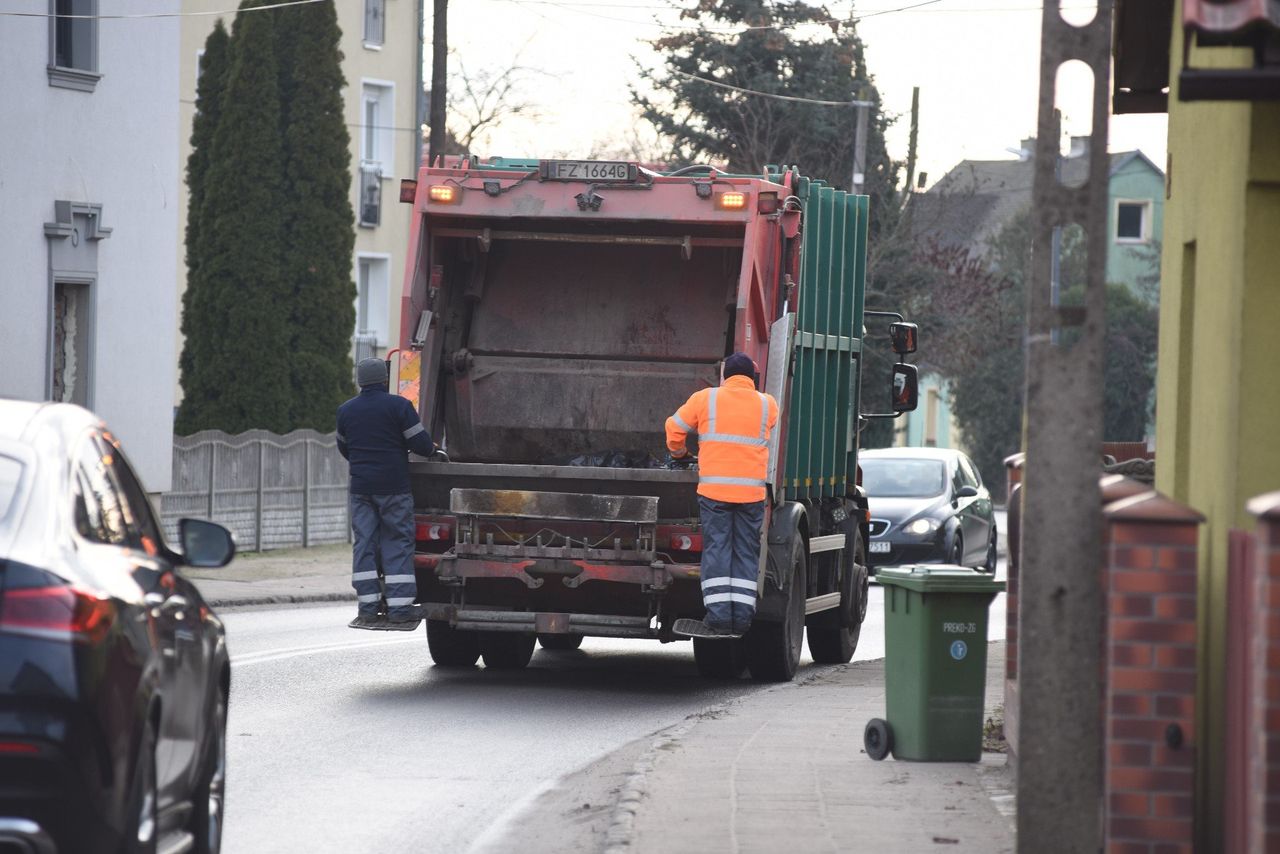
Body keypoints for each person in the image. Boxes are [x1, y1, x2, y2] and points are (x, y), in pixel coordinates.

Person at [665, 352, 778, 637]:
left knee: (718, 549)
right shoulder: (767, 404)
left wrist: (680, 453)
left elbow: (674, 428)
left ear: (725, 376)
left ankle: (717, 619)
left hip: (715, 493)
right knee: (745, 552)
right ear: (752, 378)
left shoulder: (706, 398)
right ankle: (740, 620)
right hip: (751, 495)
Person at [337, 358, 439, 631]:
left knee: (365, 544)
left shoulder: (346, 411)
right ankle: (399, 609)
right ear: (384, 380)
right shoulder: (399, 407)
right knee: (397, 542)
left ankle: (368, 609)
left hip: (361, 489)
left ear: (360, 380)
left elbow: (344, 447)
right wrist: (433, 451)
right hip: (393, 488)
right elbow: (420, 443)